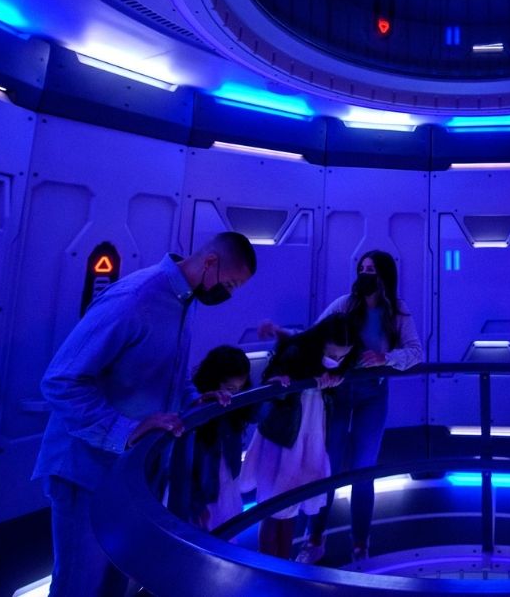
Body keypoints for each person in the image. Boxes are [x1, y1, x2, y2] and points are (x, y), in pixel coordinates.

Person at [33, 232, 257, 597]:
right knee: (79, 586)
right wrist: (124, 430)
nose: (228, 294)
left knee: (114, 582)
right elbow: (60, 381)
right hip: (85, 472)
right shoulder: (134, 299)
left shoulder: (183, 301)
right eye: (229, 284)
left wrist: (193, 399)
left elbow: (166, 374)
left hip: (127, 476)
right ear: (210, 261)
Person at [295, 250, 423, 564]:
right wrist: (322, 367)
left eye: (372, 269)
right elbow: (314, 336)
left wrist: (386, 358)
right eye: (362, 268)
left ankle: (360, 545)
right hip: (338, 393)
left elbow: (416, 352)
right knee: (328, 464)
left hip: (373, 395)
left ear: (385, 275)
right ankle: (314, 539)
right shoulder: (344, 304)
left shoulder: (397, 311)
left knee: (364, 468)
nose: (365, 274)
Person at [239, 313, 357, 559]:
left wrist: (330, 382)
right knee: (274, 505)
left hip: (308, 432)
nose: (336, 361)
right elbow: (273, 385)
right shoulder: (296, 353)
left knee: (291, 504)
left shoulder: (328, 364)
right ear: (321, 343)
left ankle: (281, 562)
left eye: (342, 357)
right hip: (285, 435)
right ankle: (270, 564)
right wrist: (284, 383)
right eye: (332, 354)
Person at [188, 345, 252, 532]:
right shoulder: (197, 410)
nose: (235, 394)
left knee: (227, 530)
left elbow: (258, 414)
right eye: (230, 388)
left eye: (240, 388)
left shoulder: (234, 408)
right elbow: (188, 465)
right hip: (205, 488)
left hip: (227, 481)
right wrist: (196, 503)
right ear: (213, 381)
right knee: (205, 533)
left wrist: (273, 384)